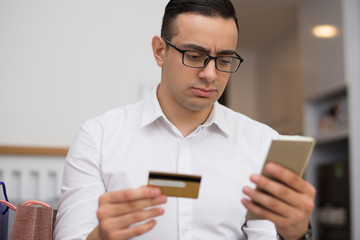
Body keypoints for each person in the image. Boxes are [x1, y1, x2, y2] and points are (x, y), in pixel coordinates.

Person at [54, 0, 315, 239]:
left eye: (224, 59)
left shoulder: (263, 142)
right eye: (194, 56)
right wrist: (99, 237)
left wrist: (295, 233)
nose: (211, 74)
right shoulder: (98, 137)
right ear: (159, 51)